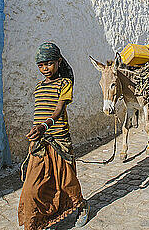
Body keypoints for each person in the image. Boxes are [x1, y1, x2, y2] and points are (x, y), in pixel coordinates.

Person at [18, 42, 89, 230]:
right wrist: (36, 131)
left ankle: (81, 207)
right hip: (40, 143)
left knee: (67, 182)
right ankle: (35, 223)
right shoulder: (38, 87)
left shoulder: (65, 84)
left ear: (58, 62)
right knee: (32, 187)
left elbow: (59, 110)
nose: (45, 68)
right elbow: (38, 113)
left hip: (59, 140)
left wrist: (44, 126)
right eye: (41, 65)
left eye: (49, 63)